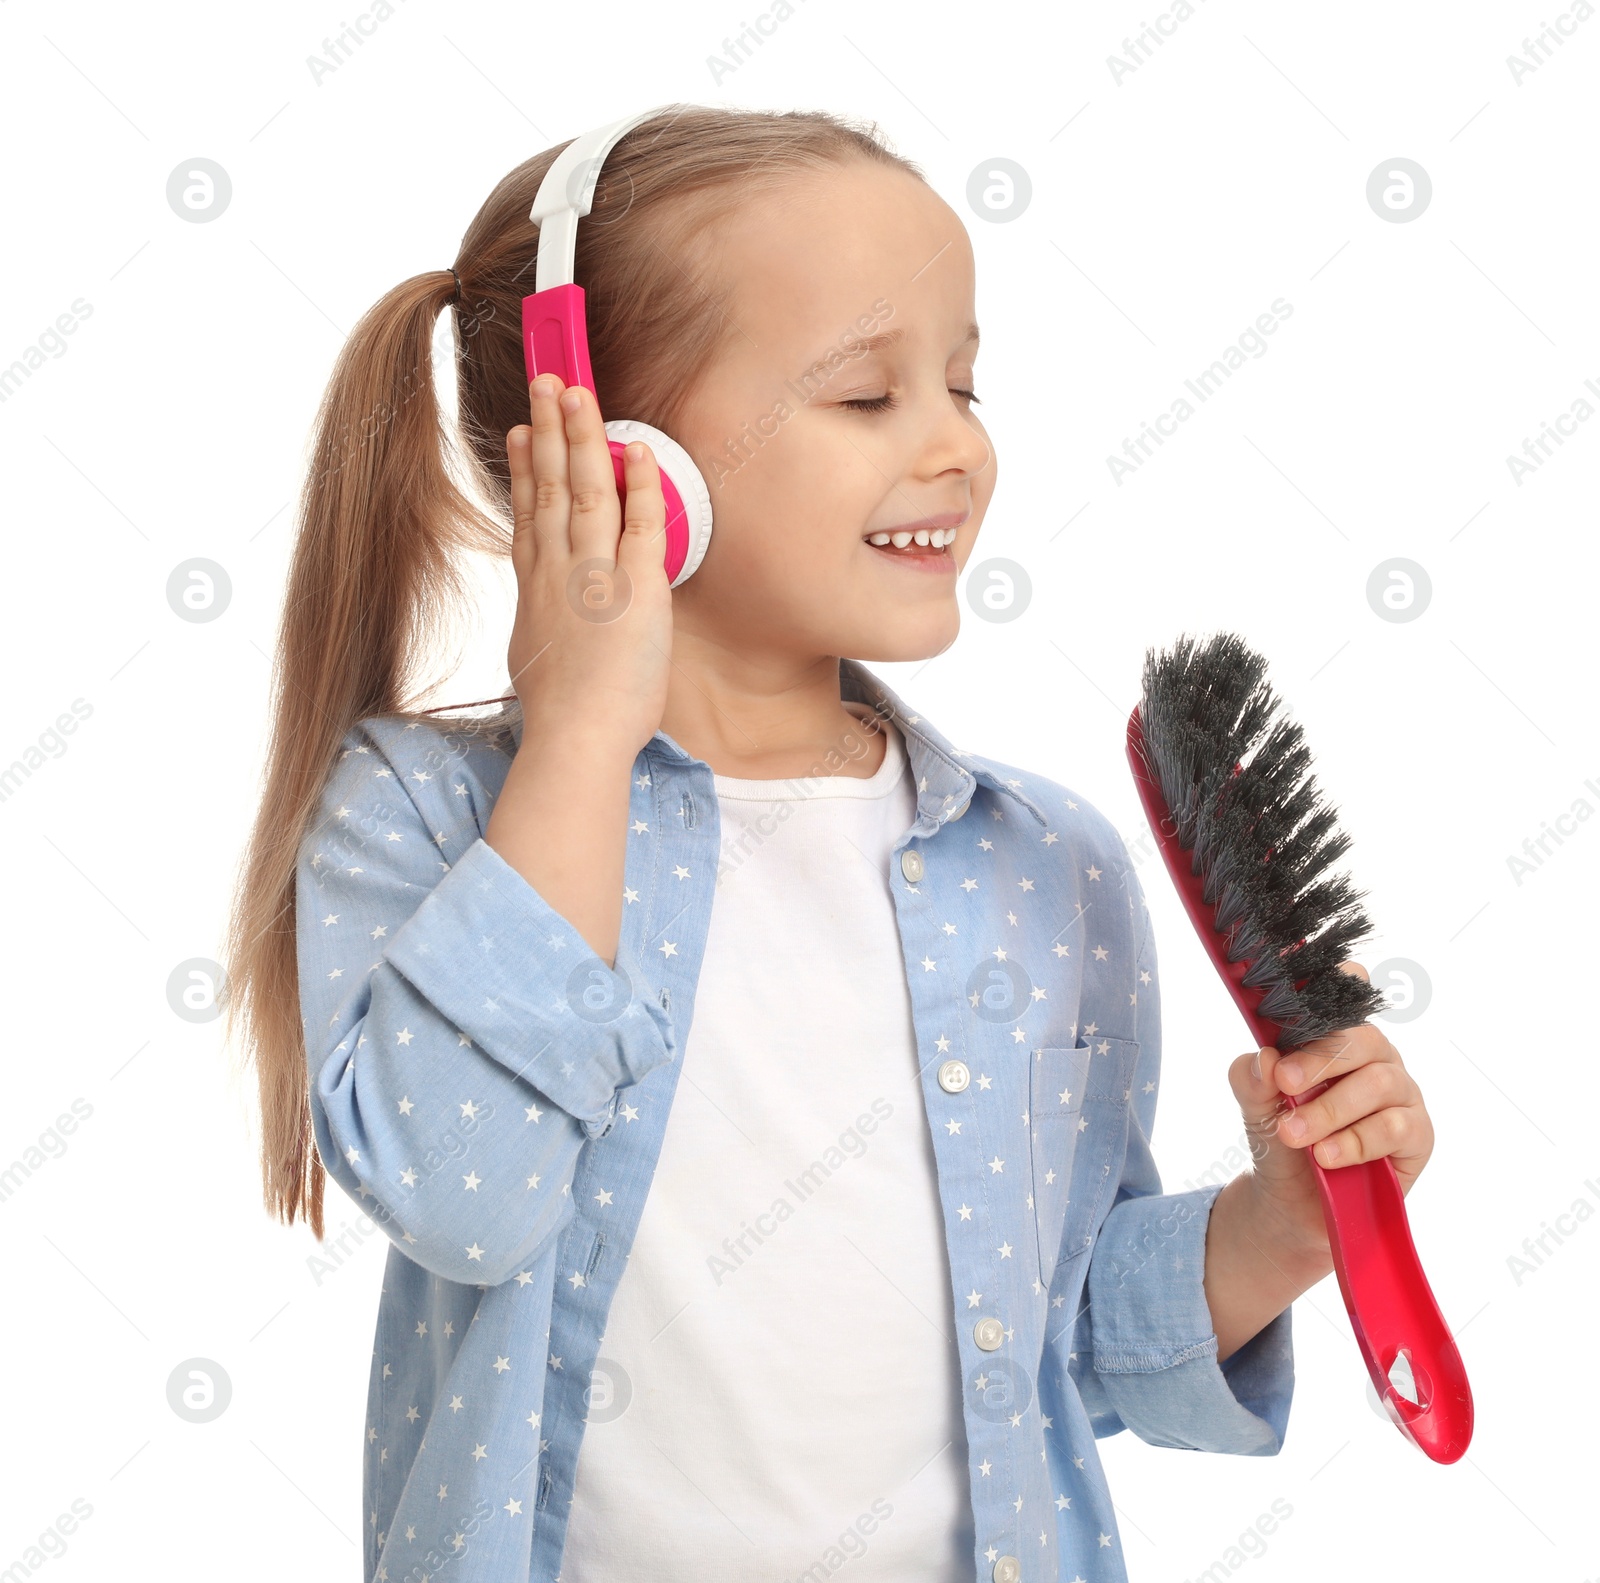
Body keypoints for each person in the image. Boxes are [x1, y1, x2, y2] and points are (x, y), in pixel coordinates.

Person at [223, 102, 1437, 1583]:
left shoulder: (1045, 866)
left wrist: (1278, 1228)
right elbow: (466, 1200)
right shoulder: (423, 813)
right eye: (866, 398)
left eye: (966, 386)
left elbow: (1055, 1347)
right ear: (606, 452)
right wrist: (584, 734)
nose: (953, 449)